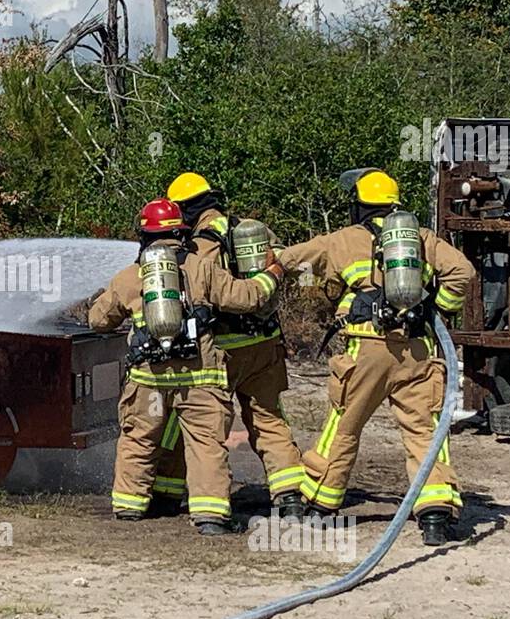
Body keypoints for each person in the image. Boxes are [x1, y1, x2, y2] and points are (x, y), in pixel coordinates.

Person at [272, 169, 476, 545]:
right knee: (424, 431)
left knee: (344, 426)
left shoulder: (342, 241)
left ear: (359, 206)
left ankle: (319, 502)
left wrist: (263, 266)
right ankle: (435, 514)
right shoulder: (421, 239)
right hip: (417, 350)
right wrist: (436, 309)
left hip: (365, 348)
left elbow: (291, 260)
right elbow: (463, 271)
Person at [88, 198, 284, 535]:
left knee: (139, 439)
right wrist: (273, 274)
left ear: (144, 235)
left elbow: (98, 320)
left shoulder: (130, 277)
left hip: (148, 380)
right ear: (182, 233)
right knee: (205, 443)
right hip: (199, 378)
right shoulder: (202, 269)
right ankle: (210, 517)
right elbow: (247, 298)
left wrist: (107, 300)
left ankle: (128, 506)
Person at [151, 173, 306, 520]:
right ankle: (290, 495)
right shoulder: (253, 229)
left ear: (186, 209)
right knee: (269, 418)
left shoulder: (199, 245)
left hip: (220, 352)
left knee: (199, 424)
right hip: (265, 345)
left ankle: (167, 492)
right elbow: (283, 264)